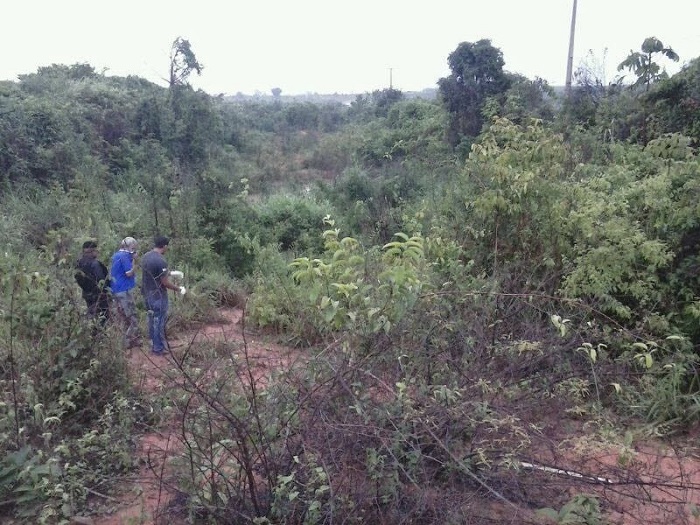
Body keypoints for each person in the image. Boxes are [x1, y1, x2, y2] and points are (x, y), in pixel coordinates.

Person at [140, 236, 185, 355]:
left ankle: (153, 342)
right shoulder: (161, 260)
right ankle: (158, 348)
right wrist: (179, 289)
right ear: (164, 246)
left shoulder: (145, 257)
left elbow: (154, 273)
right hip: (158, 295)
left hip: (146, 293)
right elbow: (164, 282)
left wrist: (171, 273)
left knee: (151, 318)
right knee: (159, 322)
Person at [110, 237, 142, 349]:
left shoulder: (116, 255)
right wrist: (135, 262)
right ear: (129, 246)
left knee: (121, 316)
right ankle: (128, 342)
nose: (135, 250)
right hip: (124, 289)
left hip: (115, 289)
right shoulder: (124, 256)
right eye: (133, 247)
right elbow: (129, 273)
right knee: (131, 316)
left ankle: (124, 340)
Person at [75, 240, 110, 325]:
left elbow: (77, 277)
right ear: (92, 251)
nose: (97, 253)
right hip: (98, 295)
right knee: (103, 316)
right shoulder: (95, 264)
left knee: (92, 315)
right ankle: (99, 335)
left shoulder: (79, 263)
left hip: (87, 294)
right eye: (96, 250)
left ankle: (92, 333)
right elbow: (101, 280)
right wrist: (106, 291)